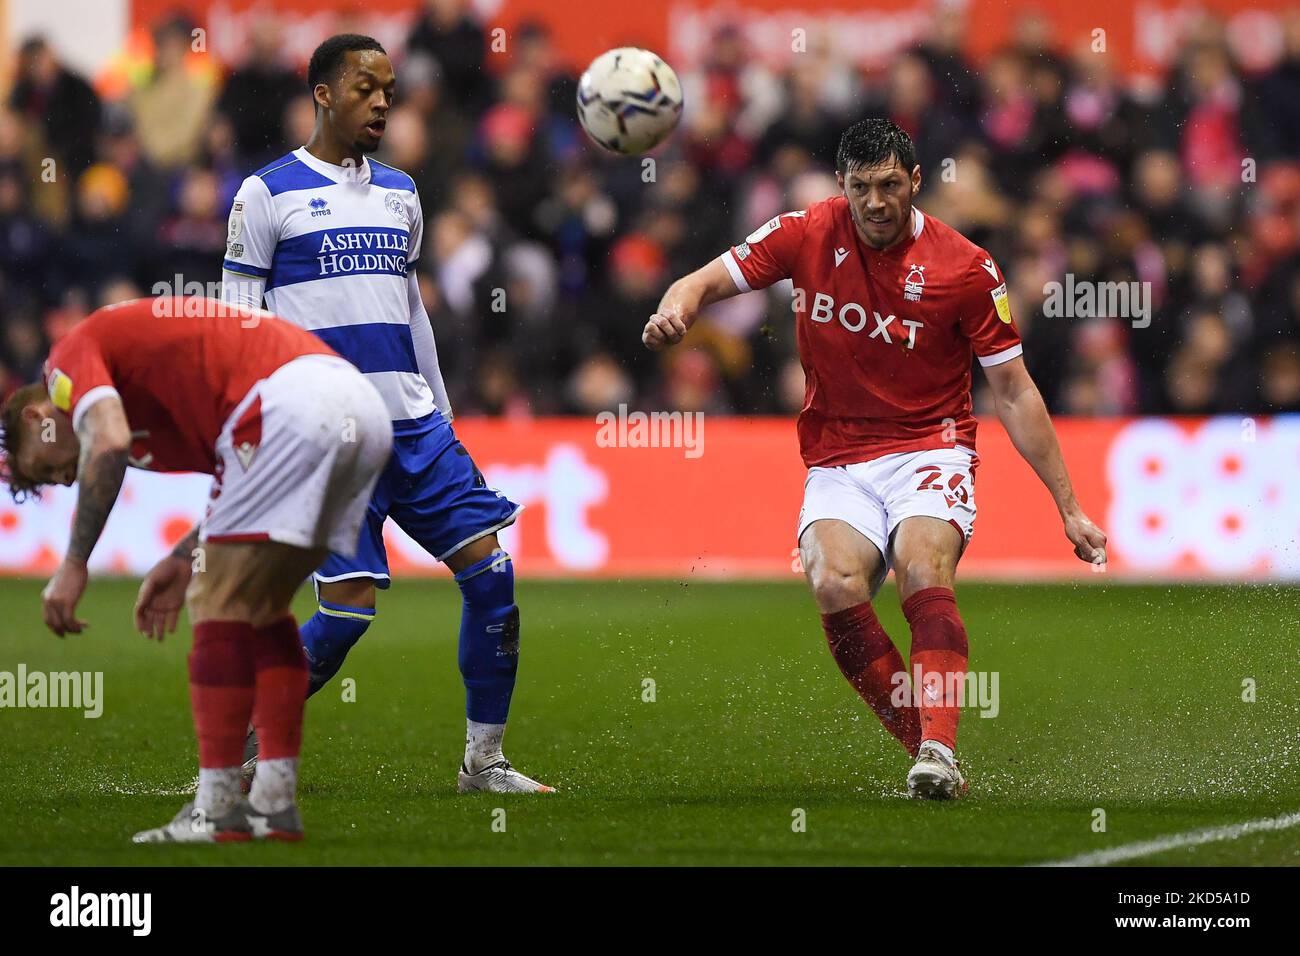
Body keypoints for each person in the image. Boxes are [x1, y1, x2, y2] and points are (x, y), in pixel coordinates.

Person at [642, 118, 1107, 799]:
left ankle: (939, 750)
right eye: (861, 188)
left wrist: (1067, 507)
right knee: (833, 582)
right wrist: (672, 311)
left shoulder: (966, 268)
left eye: (890, 185)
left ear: (916, 182)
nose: (876, 202)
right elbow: (702, 281)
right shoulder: (803, 232)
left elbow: (1013, 390)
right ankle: (930, 751)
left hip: (931, 446)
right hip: (838, 459)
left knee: (922, 566)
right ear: (843, 185)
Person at [221, 34, 550, 793]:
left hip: (417, 427)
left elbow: (410, 310)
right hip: (325, 437)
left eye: (389, 91)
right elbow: (238, 329)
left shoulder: (402, 191)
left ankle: (485, 762)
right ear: (324, 94)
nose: (381, 102)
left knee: (493, 578)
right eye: (365, 88)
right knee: (345, 617)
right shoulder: (266, 194)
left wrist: (438, 403)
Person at [0, 296, 392, 840]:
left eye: (47, 468)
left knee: (216, 603)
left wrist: (73, 564)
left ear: (37, 418)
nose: (65, 479)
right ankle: (274, 802)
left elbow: (106, 443)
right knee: (262, 607)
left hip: (290, 402)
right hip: (358, 409)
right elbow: (235, 469)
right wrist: (186, 555)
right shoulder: (151, 420)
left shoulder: (65, 364)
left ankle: (216, 808)